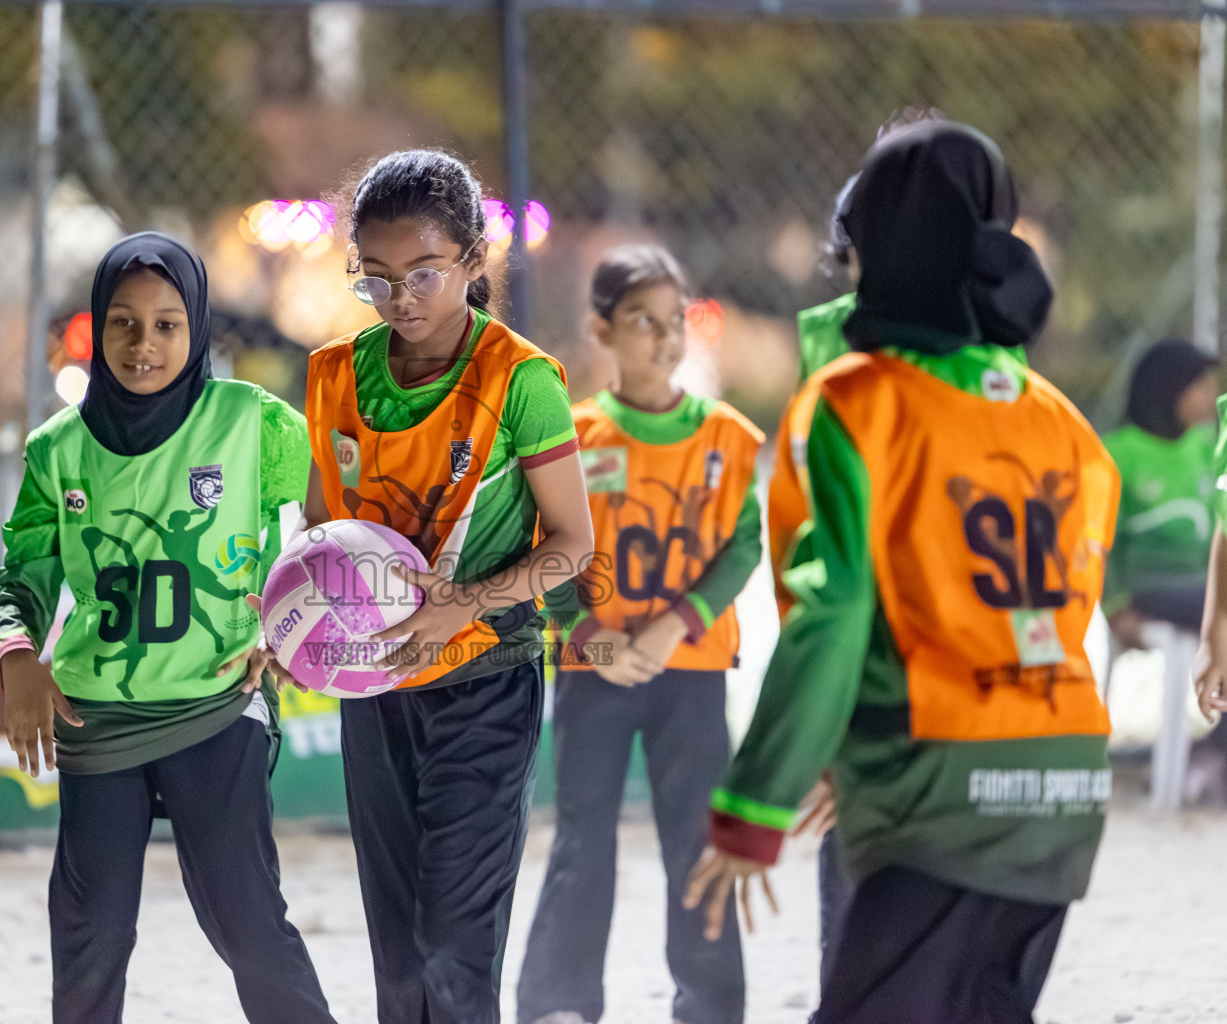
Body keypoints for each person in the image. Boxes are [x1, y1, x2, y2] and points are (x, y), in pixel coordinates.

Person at [685, 121, 1120, 1024]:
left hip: (938, 782)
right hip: (1067, 783)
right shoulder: (1064, 424)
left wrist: (754, 804)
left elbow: (832, 614)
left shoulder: (854, 400)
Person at [266, 149, 593, 1024]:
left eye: (423, 273)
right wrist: (295, 628)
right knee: (400, 953)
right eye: (374, 277)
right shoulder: (336, 375)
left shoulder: (520, 381)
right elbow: (319, 537)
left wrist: (467, 603)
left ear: (475, 259)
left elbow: (573, 545)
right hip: (375, 689)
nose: (399, 298)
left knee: (455, 944)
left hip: (485, 681)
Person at [0, 232, 337, 1024]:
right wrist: (18, 653)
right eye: (123, 322)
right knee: (92, 931)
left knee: (247, 922)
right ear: (97, 327)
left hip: (217, 702)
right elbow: (24, 574)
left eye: (167, 325)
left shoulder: (253, 422)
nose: (143, 343)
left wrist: (291, 628)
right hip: (97, 713)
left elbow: (328, 527)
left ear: (198, 327)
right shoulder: (57, 450)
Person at [514, 244, 761, 1024]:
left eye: (674, 319)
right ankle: (559, 1002)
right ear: (601, 330)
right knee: (583, 836)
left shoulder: (727, 436)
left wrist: (677, 626)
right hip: (597, 667)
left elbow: (743, 546)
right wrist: (591, 635)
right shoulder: (576, 434)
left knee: (697, 837)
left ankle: (711, 1005)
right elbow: (545, 549)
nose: (663, 336)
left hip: (692, 666)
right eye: (641, 320)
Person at [1103, 338, 1217, 647]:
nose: (1212, 393)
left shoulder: (1204, 447)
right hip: (1148, 587)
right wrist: (1114, 608)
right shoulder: (1119, 454)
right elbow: (1098, 545)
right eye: (1200, 386)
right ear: (1170, 390)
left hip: (1201, 585)